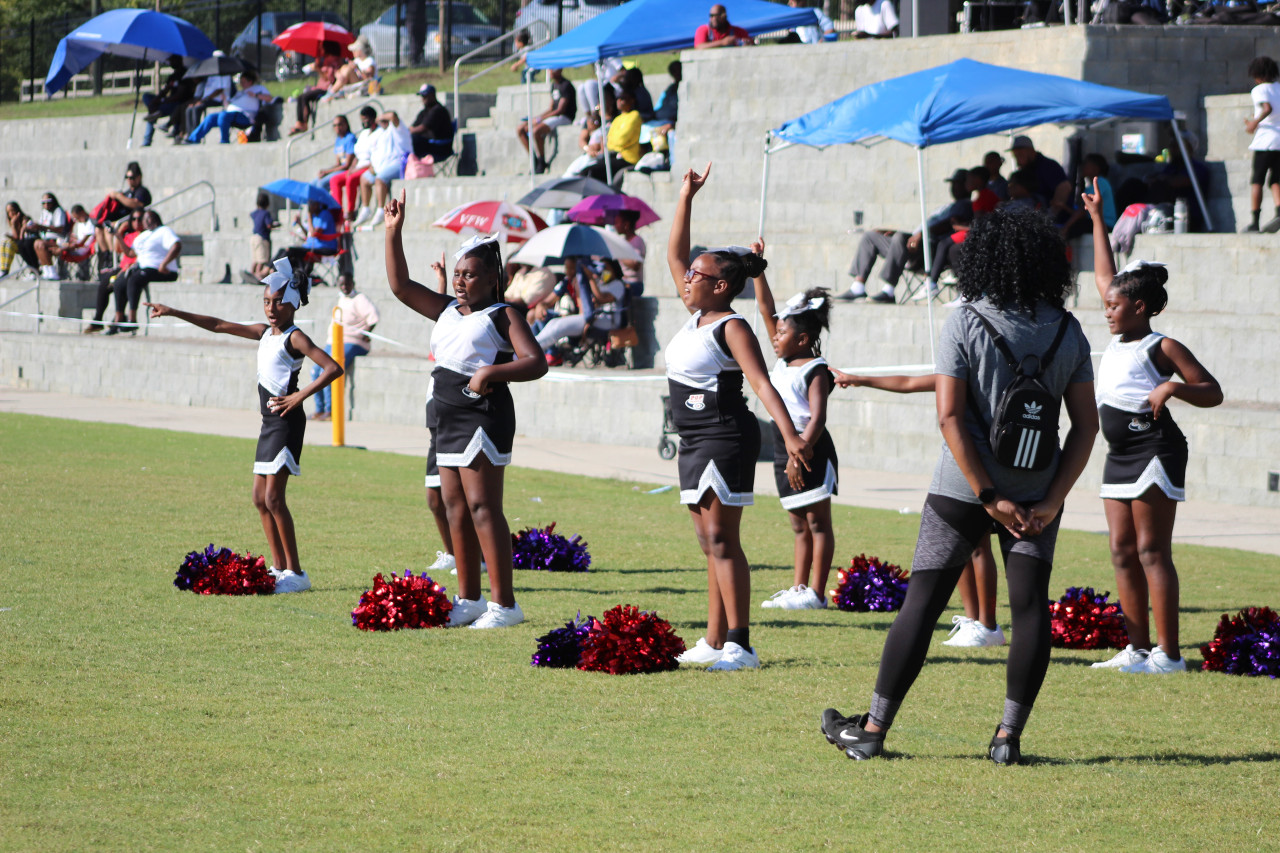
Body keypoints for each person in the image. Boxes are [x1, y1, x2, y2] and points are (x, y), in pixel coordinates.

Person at [819, 205, 1098, 765]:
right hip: (1038, 492)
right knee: (1029, 612)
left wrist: (988, 495)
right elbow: (1087, 426)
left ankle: (872, 730)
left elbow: (949, 417)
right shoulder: (1070, 329)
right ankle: (1006, 739)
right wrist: (1050, 500)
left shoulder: (966, 317)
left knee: (922, 603)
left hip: (963, 488)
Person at [665, 163, 810, 672]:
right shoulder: (696, 315)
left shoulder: (732, 326)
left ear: (722, 287)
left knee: (724, 540)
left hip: (724, 434)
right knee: (709, 542)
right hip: (693, 438)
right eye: (689, 274)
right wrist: (686, 196)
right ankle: (712, 638)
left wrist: (790, 437)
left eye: (697, 276)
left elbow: (762, 384)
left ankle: (740, 644)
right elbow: (675, 253)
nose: (686, 277)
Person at [384, 191, 548, 628]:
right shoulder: (447, 310)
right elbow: (400, 287)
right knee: (454, 507)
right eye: (457, 274)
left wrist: (491, 373)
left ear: (493, 278)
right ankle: (470, 598)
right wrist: (393, 232)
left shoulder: (503, 314)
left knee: (482, 507)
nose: (460, 281)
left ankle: (505, 605)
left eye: (469, 275)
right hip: (447, 417)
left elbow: (536, 362)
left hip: (483, 415)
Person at [1082, 181, 1223, 675]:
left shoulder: (1161, 346)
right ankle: (1137, 650)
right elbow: (1105, 273)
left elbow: (1212, 391)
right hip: (1118, 453)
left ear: (1139, 307)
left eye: (1114, 307)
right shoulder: (1120, 327)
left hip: (1155, 447)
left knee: (1150, 550)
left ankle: (1170, 654)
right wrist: (1099, 219)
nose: (1107, 311)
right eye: (1106, 305)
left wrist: (1174, 389)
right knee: (1121, 550)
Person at [145, 259, 343, 594]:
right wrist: (174, 311)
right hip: (269, 423)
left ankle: (297, 572)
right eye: (266, 302)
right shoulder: (264, 333)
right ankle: (280, 568)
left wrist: (298, 398)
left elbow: (333, 367)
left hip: (286, 421)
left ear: (293, 303)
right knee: (258, 498)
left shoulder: (295, 338)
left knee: (274, 497)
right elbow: (220, 325)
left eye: (277, 301)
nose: (271, 308)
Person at [831, 370, 1005, 648]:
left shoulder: (987, 372)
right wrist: (860, 379)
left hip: (986, 461)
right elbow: (908, 382)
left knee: (979, 545)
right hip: (961, 465)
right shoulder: (959, 371)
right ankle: (975, 623)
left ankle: (988, 625)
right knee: (963, 543)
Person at [753, 269, 838, 612]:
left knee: (818, 523)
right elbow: (764, 308)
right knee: (798, 523)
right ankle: (798, 588)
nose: (775, 336)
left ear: (802, 339)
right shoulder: (782, 362)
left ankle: (816, 594)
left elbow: (817, 418)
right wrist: (757, 271)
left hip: (809, 447)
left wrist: (796, 455)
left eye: (782, 332)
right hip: (781, 444)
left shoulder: (815, 368)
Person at [837, 169, 969, 303]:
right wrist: (896, 233)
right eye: (952, 184)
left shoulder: (965, 206)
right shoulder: (945, 206)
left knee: (900, 238)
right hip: (912, 243)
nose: (953, 187)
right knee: (870, 236)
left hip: (930, 249)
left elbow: (949, 225)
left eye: (957, 184)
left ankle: (888, 290)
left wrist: (919, 235)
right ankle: (858, 287)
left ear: (966, 185)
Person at [312, 273, 378, 421]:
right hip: (334, 341)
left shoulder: (360, 299)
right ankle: (319, 409)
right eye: (341, 285)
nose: (344, 287)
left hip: (353, 342)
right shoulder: (341, 298)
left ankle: (331, 410)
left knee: (330, 370)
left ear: (353, 283)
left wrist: (367, 333)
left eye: (347, 284)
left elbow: (374, 316)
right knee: (315, 370)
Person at [104, 210, 182, 335]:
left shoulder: (164, 231)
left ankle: (132, 319)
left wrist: (164, 264)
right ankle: (118, 320)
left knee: (135, 279)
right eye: (143, 219)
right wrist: (118, 235)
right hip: (143, 268)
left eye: (146, 218)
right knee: (119, 282)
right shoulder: (143, 235)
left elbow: (176, 246)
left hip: (162, 270)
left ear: (154, 218)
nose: (143, 222)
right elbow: (130, 253)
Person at [533, 257, 626, 355]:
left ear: (614, 269)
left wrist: (590, 278)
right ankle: (532, 346)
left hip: (607, 320)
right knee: (553, 323)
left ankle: (534, 350)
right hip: (594, 317)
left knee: (560, 327)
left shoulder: (618, 284)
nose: (603, 271)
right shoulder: (601, 283)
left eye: (606, 268)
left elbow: (601, 298)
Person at [84, 211, 144, 333]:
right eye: (134, 220)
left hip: (134, 267)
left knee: (120, 282)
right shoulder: (130, 235)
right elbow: (117, 249)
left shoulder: (145, 236)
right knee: (104, 283)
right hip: (123, 267)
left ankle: (119, 319)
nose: (136, 222)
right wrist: (120, 231)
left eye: (139, 219)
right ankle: (98, 319)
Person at [1244, 56, 1280, 232]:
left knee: (1257, 180)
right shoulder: (1279, 88)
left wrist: (1253, 123)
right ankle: (1279, 211)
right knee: (1276, 179)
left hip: (1266, 140)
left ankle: (1254, 220)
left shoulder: (1259, 90)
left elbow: (1267, 108)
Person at [187, 70, 272, 144]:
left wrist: (255, 95)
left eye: (243, 81)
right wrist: (224, 99)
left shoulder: (258, 88)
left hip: (246, 116)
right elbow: (229, 105)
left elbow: (269, 98)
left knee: (224, 116)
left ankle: (224, 140)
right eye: (241, 82)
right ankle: (193, 139)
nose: (241, 84)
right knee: (211, 117)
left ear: (250, 81)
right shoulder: (240, 93)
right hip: (230, 114)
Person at [517, 70, 576, 174]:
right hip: (554, 116)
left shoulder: (566, 85)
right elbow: (551, 108)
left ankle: (541, 161)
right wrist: (537, 118)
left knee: (536, 131)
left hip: (564, 117)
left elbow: (560, 110)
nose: (550, 71)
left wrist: (540, 120)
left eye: (553, 69)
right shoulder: (554, 85)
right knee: (521, 129)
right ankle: (534, 160)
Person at [91, 163, 151, 264]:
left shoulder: (142, 191)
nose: (129, 180)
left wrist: (118, 196)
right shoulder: (126, 192)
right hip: (121, 219)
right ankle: (108, 256)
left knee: (111, 229)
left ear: (139, 177)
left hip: (133, 221)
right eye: (127, 177)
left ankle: (114, 257)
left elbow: (137, 205)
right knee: (99, 229)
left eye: (131, 177)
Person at [362, 111, 412, 228]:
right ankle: (365, 209)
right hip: (385, 165)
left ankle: (380, 209)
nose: (382, 123)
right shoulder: (384, 134)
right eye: (381, 122)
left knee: (380, 179)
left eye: (385, 121)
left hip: (402, 164)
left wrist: (380, 117)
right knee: (364, 178)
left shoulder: (399, 129)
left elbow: (393, 115)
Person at [1008, 135, 1072, 221]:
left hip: (1055, 220)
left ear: (1031, 151)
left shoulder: (1048, 166)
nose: (1017, 160)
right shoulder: (1025, 169)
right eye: (1015, 156)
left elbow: (1064, 187)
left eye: (1020, 155)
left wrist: (1051, 216)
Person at [290, 41, 344, 135]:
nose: (320, 50)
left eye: (322, 48)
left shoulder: (334, 61)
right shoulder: (325, 60)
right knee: (300, 97)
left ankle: (303, 123)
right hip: (319, 87)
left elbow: (330, 79)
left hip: (325, 89)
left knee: (305, 97)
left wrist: (318, 69)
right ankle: (300, 122)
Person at [588, 89, 642, 183]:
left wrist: (615, 144)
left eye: (623, 99)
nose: (619, 101)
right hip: (613, 156)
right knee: (588, 170)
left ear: (631, 100)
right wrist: (615, 144)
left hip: (627, 158)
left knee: (594, 171)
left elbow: (621, 140)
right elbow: (608, 141)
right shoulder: (617, 119)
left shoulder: (635, 116)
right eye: (618, 99)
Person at [142, 56, 196, 147]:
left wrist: (163, 101)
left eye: (172, 61)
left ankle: (157, 113)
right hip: (167, 103)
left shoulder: (185, 75)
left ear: (179, 60)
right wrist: (155, 101)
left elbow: (179, 95)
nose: (170, 63)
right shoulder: (172, 76)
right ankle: (155, 112)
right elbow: (165, 91)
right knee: (146, 96)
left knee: (155, 112)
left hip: (178, 103)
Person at [1061, 153, 1117, 239]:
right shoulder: (1090, 187)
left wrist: (1066, 228)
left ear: (1096, 168)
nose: (1083, 166)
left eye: (1086, 164)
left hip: (1106, 224)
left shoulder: (1100, 183)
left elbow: (1082, 211)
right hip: (1096, 221)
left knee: (1076, 227)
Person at [341, 107, 379, 224]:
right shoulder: (363, 133)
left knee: (351, 178)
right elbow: (357, 155)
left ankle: (350, 212)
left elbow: (375, 159)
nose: (363, 122)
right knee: (335, 180)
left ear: (373, 119)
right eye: (362, 119)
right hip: (358, 166)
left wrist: (356, 169)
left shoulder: (379, 133)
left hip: (368, 166)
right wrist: (352, 167)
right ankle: (338, 212)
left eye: (365, 119)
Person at [281, 199, 338, 273]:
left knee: (293, 251)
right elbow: (309, 235)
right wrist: (300, 224)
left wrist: (309, 217)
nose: (310, 206)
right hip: (312, 246)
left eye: (312, 204)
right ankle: (272, 270)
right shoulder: (315, 216)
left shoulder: (324, 214)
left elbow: (314, 234)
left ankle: (302, 274)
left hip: (325, 247)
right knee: (285, 251)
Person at [179, 67, 233, 143]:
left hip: (216, 100)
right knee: (189, 109)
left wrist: (203, 100)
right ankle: (190, 134)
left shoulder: (223, 76)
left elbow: (219, 90)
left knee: (197, 109)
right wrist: (197, 101)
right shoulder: (210, 76)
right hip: (206, 99)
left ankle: (195, 135)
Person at [23, 192, 69, 281]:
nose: (46, 205)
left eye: (48, 202)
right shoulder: (44, 213)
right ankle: (46, 270)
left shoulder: (58, 211)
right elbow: (41, 226)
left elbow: (60, 229)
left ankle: (52, 271)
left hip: (58, 240)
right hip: (45, 239)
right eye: (44, 203)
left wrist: (41, 227)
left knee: (40, 244)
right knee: (36, 243)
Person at [410, 84, 454, 164]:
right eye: (422, 96)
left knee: (413, 139)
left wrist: (409, 131)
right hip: (429, 145)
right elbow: (413, 126)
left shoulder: (439, 110)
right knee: (407, 139)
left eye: (425, 96)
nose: (423, 99)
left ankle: (410, 167)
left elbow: (422, 128)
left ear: (432, 95)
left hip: (440, 148)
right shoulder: (424, 112)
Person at [48, 204, 96, 277]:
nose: (76, 220)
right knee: (59, 242)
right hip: (76, 246)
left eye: (77, 218)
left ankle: (62, 272)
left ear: (82, 213)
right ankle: (56, 269)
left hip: (83, 249)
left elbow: (82, 243)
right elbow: (78, 239)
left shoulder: (90, 223)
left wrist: (66, 246)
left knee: (61, 249)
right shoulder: (80, 223)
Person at [316, 116, 358, 192]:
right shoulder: (338, 140)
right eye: (335, 125)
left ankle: (326, 204)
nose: (337, 128)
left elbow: (347, 165)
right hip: (340, 169)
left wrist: (327, 172)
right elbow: (338, 163)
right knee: (314, 182)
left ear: (346, 125)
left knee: (321, 184)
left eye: (340, 125)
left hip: (349, 170)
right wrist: (325, 171)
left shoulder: (350, 138)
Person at [246, 192, 278, 282]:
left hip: (253, 237)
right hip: (262, 239)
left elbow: (251, 215)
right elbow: (268, 225)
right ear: (267, 203)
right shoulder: (266, 213)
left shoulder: (255, 213)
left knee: (255, 259)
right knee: (261, 260)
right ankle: (257, 275)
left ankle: (251, 273)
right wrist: (275, 226)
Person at [613, 209, 646, 296]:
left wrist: (618, 255)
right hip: (623, 281)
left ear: (626, 224)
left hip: (634, 284)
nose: (615, 226)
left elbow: (636, 265)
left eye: (617, 222)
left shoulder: (637, 241)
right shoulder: (623, 241)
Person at [1, 202, 32, 280]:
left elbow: (19, 237)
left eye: (12, 211)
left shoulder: (24, 219)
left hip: (25, 246)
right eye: (8, 212)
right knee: (4, 242)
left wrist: (14, 225)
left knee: (9, 244)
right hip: (18, 245)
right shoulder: (11, 221)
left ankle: (5, 271)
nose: (11, 214)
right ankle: (3, 269)